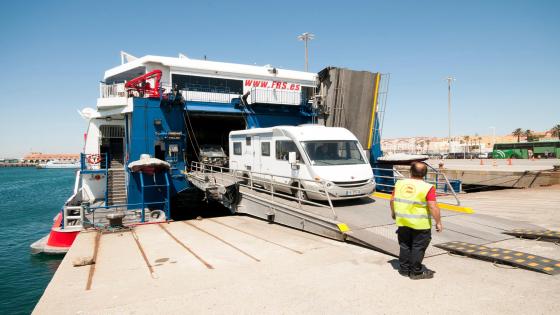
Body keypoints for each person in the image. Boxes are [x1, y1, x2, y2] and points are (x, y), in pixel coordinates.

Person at [390, 162, 443, 279]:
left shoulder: (399, 184)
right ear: (425, 174)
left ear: (411, 171)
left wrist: (393, 213)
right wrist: (438, 222)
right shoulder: (427, 187)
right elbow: (433, 206)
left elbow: (392, 200)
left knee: (404, 246)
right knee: (418, 247)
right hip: (420, 224)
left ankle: (404, 270)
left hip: (403, 221)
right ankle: (415, 272)